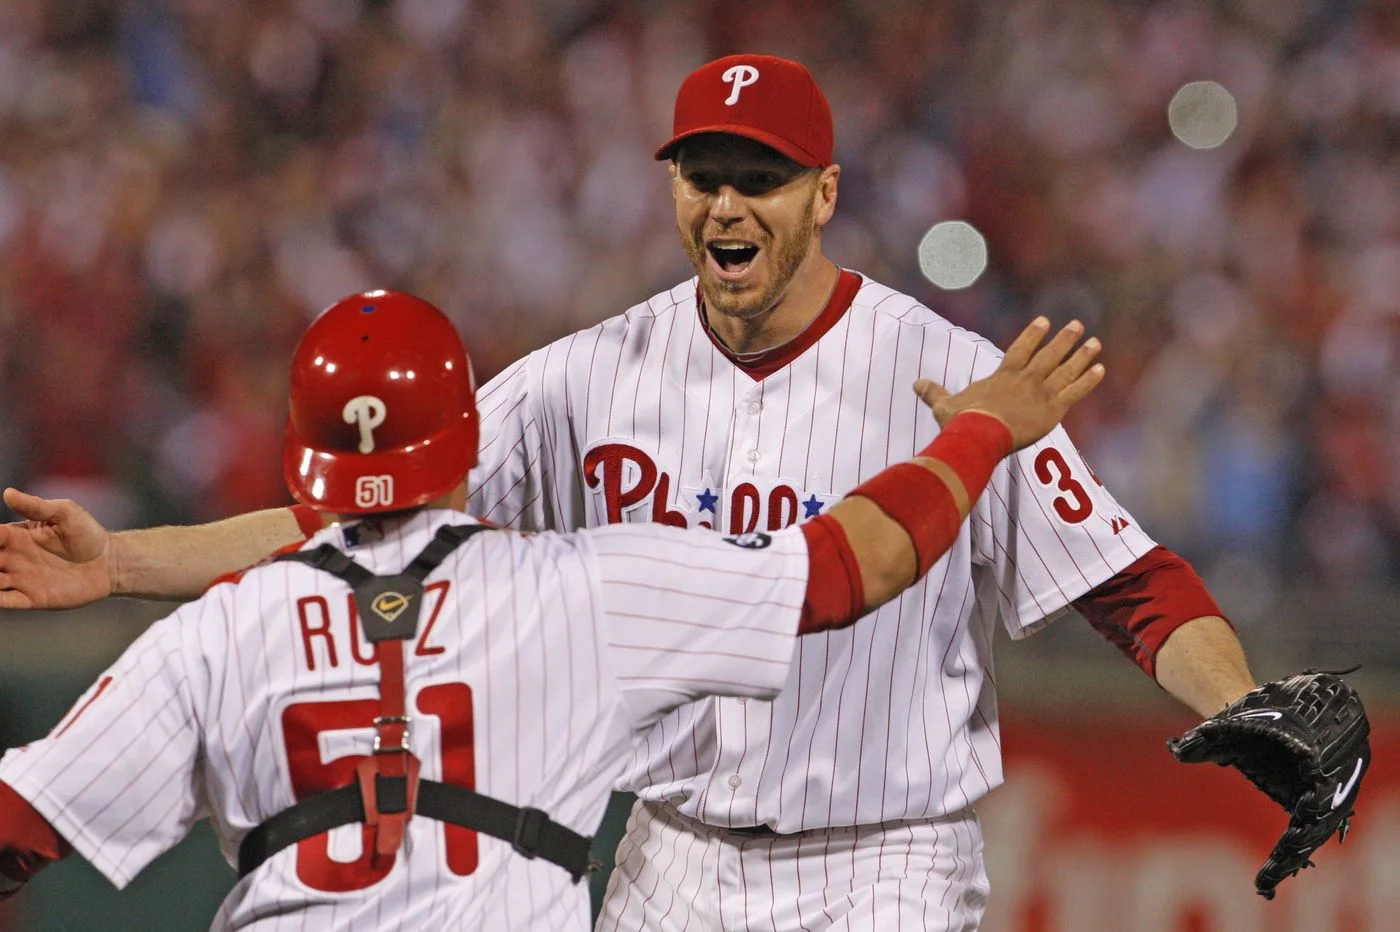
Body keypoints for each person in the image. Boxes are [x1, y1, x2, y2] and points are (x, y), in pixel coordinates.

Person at [0, 55, 1263, 929]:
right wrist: (122, 561)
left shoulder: (946, 372)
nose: (724, 201)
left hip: (884, 849)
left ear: (823, 195)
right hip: (666, 845)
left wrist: (1245, 703)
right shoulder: (588, 372)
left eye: (757, 177)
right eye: (700, 173)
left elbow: (1128, 585)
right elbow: (363, 519)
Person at [0, 289, 1105, 929]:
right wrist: (981, 427)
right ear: (470, 444)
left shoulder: (217, 631)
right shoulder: (583, 588)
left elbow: (19, 830)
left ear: (304, 463)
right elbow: (851, 563)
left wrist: (126, 565)